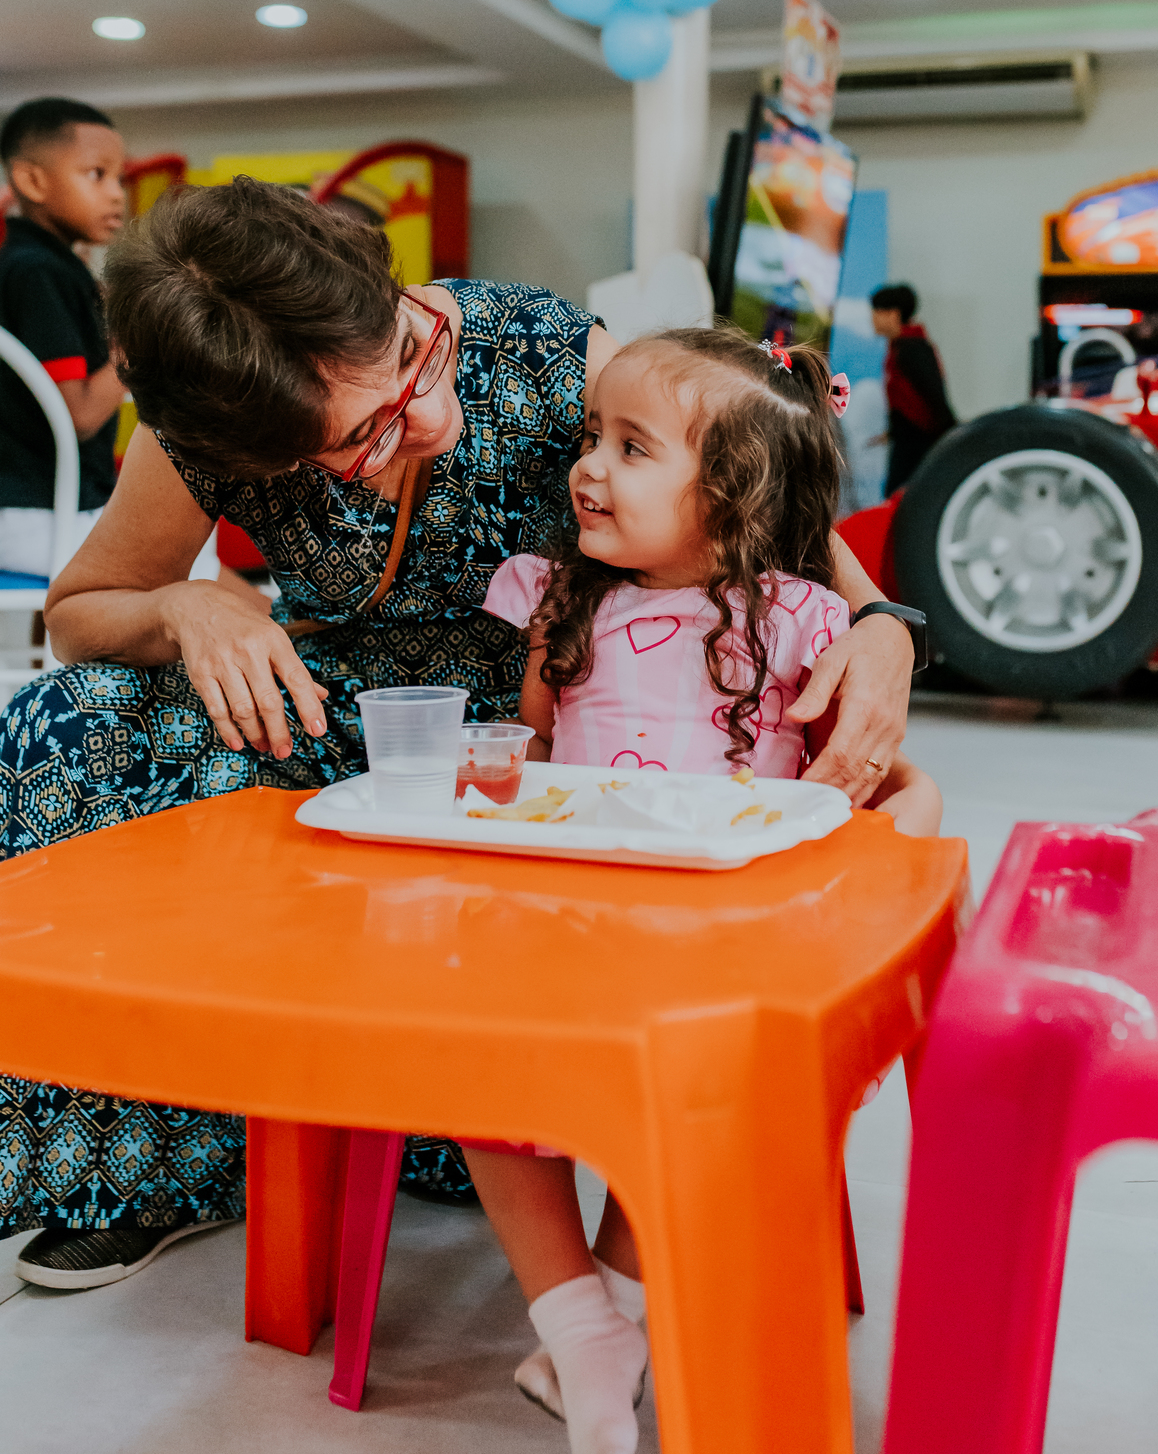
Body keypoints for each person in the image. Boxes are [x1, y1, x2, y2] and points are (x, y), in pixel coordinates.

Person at [0, 178, 918, 1289]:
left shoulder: (537, 348)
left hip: (547, 729)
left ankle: (394, 1095)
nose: (407, 436)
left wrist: (876, 624)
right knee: (70, 720)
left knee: (477, 1089)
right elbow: (83, 608)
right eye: (344, 446)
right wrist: (184, 602)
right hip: (352, 714)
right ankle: (147, 1158)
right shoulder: (212, 423)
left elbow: (749, 478)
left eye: (407, 383)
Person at [460, 327, 941, 1453]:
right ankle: (579, 1320)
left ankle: (606, 1320)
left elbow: (878, 790)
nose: (588, 467)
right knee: (471, 1058)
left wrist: (892, 843)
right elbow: (526, 753)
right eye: (591, 438)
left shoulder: (806, 623)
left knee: (702, 1084)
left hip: (728, 948)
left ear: (731, 496)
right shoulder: (560, 603)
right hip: (571, 923)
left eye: (633, 448)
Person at [0, 98, 128, 577]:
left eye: (120, 179)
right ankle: (300, 643)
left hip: (26, 512)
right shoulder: (39, 272)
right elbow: (79, 414)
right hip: (39, 515)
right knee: (186, 547)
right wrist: (139, 346)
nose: (117, 194)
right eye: (96, 175)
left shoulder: (25, 258)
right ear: (32, 181)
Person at [870, 283, 956, 496]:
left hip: (918, 443)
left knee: (900, 496)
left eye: (877, 312)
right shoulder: (900, 346)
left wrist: (951, 434)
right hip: (907, 438)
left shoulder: (912, 349)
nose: (873, 319)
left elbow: (933, 394)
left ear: (893, 314)